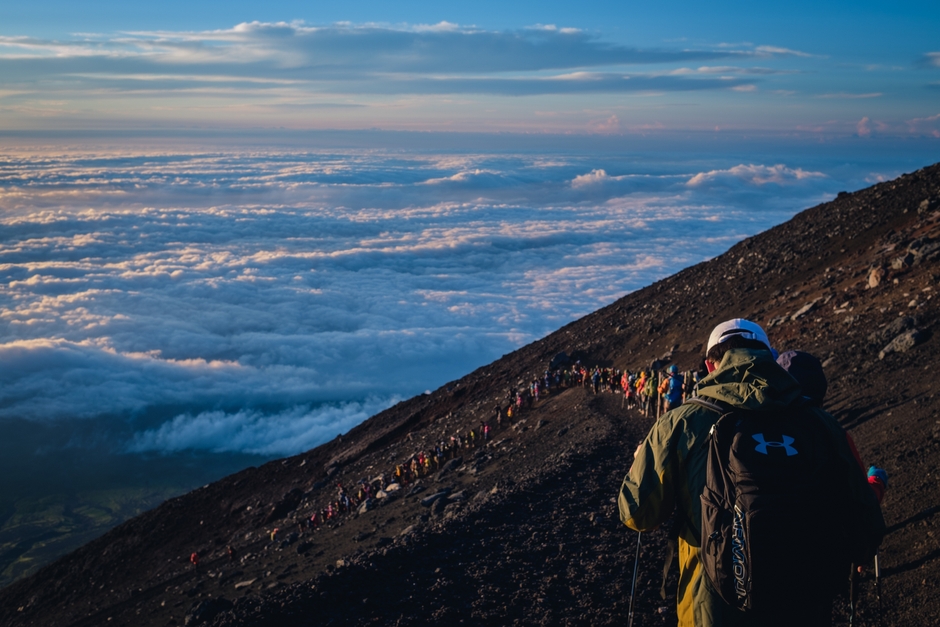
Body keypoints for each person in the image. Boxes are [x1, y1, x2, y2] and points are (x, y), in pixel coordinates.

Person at [618, 318, 885, 627]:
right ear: (770, 358)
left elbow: (637, 513)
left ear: (710, 365)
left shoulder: (680, 423)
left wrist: (641, 463)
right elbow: (865, 525)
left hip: (713, 609)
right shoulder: (821, 424)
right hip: (805, 604)